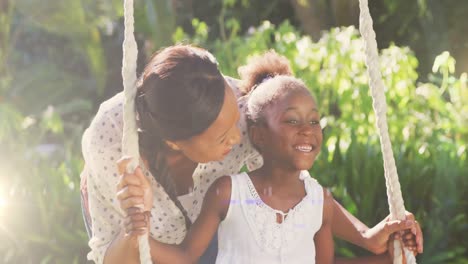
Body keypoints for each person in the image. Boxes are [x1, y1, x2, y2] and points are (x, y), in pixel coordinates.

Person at [80, 45, 422, 264]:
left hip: (205, 234)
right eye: (222, 137)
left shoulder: (238, 112)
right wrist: (135, 223)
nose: (237, 137)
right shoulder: (113, 147)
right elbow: (119, 258)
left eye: (236, 123)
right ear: (175, 142)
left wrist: (367, 237)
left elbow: (296, 189)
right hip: (137, 241)